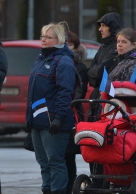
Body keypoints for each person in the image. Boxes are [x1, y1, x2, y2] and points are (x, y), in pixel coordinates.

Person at [25, 23, 76, 194]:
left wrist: (59, 117)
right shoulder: (41, 58)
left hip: (54, 120)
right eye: (42, 36)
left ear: (59, 40)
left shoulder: (64, 61)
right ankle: (47, 189)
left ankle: (58, 191)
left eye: (48, 37)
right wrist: (29, 118)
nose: (44, 39)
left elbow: (65, 92)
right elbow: (33, 92)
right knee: (43, 161)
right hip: (38, 120)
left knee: (55, 161)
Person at [86, 12, 122, 187]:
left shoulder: (117, 47)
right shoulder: (102, 48)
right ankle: (96, 181)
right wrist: (96, 72)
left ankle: (106, 182)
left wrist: (96, 72)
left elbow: (100, 73)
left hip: (108, 101)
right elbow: (91, 74)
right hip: (96, 99)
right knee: (93, 141)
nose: (100, 29)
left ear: (112, 26)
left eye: (103, 25)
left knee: (106, 142)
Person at [65, 30, 88, 194]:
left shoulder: (79, 67)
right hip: (57, 112)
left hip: (71, 112)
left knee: (69, 154)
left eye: (70, 45)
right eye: (64, 44)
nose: (67, 47)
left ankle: (69, 187)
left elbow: (79, 91)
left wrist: (67, 105)